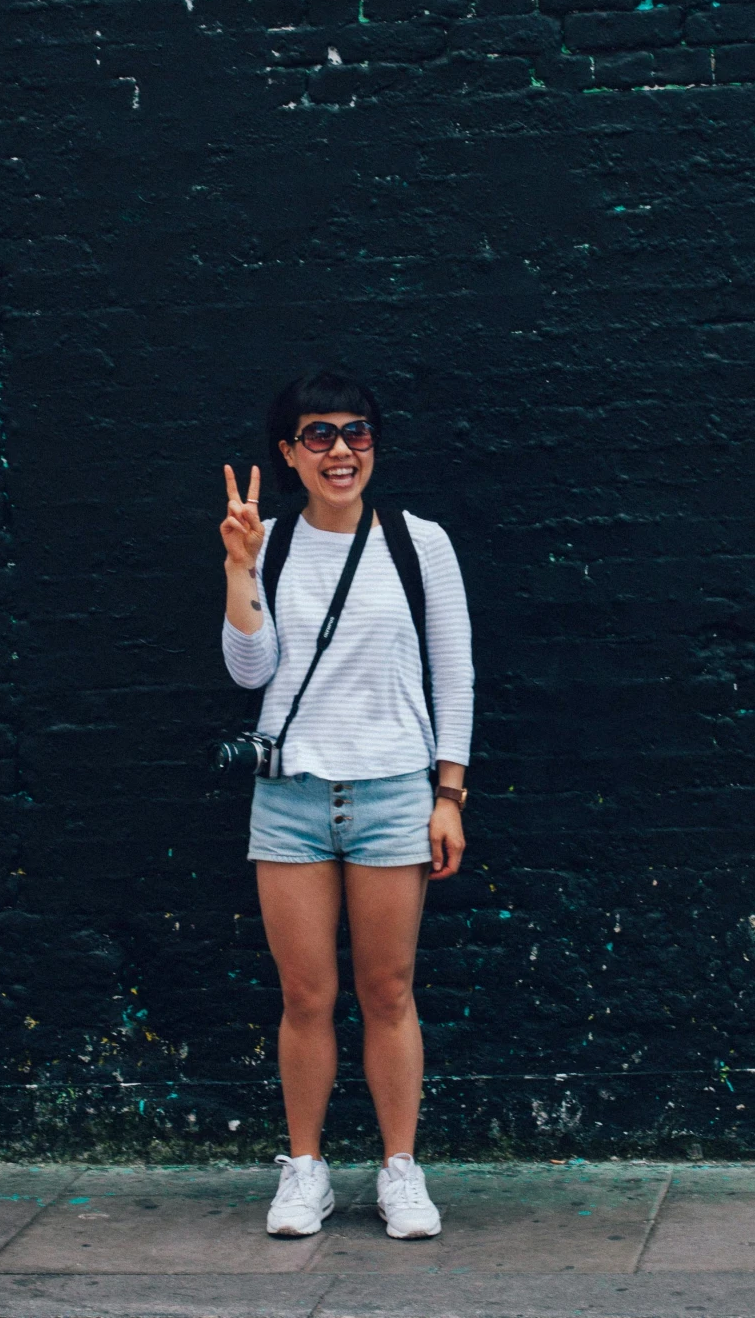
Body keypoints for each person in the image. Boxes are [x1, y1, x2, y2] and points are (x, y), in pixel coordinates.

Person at [218, 369, 474, 1240]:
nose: (339, 450)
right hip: (289, 796)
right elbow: (250, 672)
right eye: (318, 434)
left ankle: (400, 1169)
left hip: (396, 790)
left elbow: (456, 672)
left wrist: (449, 794)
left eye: (355, 432)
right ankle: (308, 1170)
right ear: (288, 452)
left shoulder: (418, 541)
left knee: (389, 989)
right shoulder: (276, 546)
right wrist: (238, 568)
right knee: (305, 995)